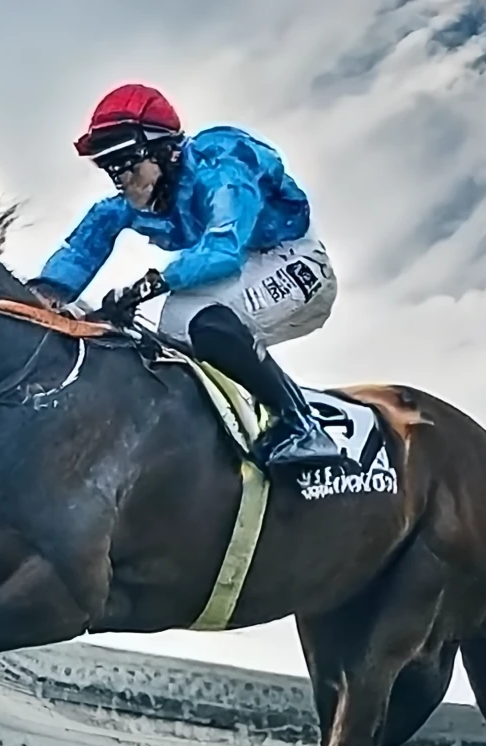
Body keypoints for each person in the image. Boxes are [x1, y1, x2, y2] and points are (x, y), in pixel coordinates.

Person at [28, 82, 349, 474]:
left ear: (166, 151)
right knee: (170, 325)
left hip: (298, 261)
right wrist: (46, 292)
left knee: (189, 318)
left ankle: (303, 426)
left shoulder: (223, 169)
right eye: (110, 168)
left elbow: (223, 249)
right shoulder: (139, 195)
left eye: (128, 163)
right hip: (250, 263)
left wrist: (149, 283)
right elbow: (88, 240)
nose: (121, 179)